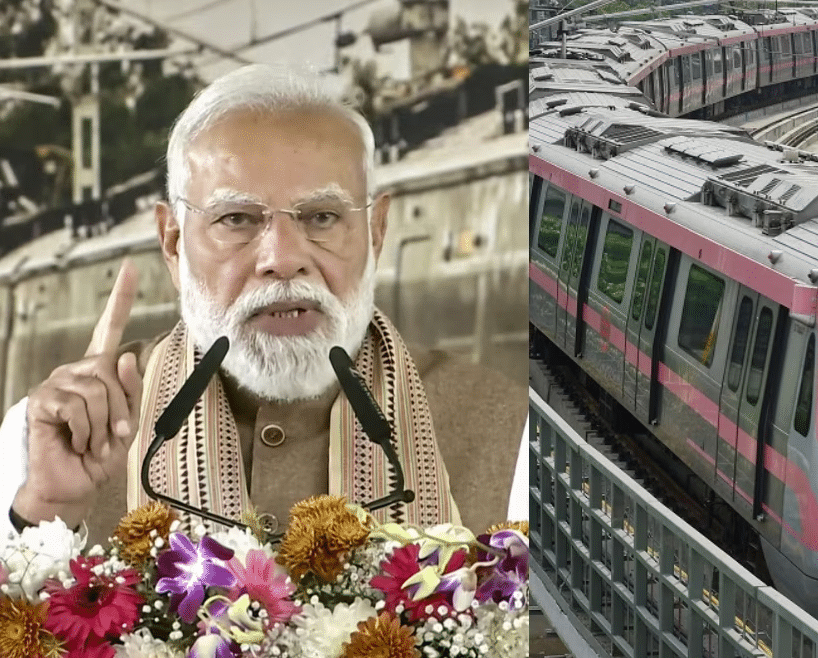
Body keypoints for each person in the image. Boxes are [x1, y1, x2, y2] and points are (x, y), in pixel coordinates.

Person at [0, 64, 468, 542]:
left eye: (323, 217)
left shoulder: (505, 428)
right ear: (173, 242)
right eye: (237, 218)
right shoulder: (40, 441)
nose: (283, 259)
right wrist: (47, 510)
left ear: (376, 231)